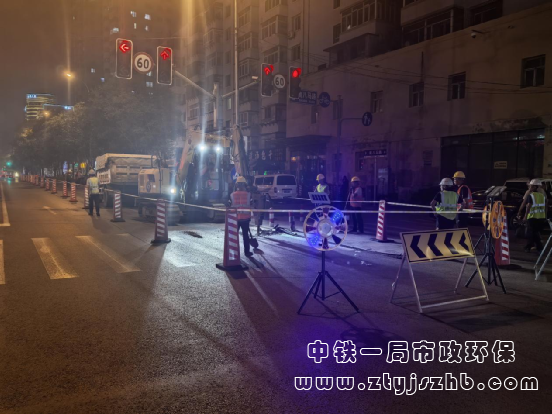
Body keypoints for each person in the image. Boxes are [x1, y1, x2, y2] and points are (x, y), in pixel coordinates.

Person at [518, 179, 547, 253]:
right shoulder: (542, 196)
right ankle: (535, 247)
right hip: (541, 217)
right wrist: (545, 216)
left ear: (535, 187)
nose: (529, 187)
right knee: (535, 233)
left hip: (532, 217)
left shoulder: (530, 195)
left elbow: (528, 206)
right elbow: (545, 206)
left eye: (531, 186)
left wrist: (524, 216)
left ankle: (534, 247)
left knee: (531, 233)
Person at [231, 176, 253, 257]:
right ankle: (247, 252)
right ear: (245, 185)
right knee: (245, 236)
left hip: (235, 218)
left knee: (234, 236)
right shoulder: (248, 195)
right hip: (245, 218)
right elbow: (252, 204)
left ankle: (233, 252)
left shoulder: (232, 195)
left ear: (236, 185)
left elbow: (230, 206)